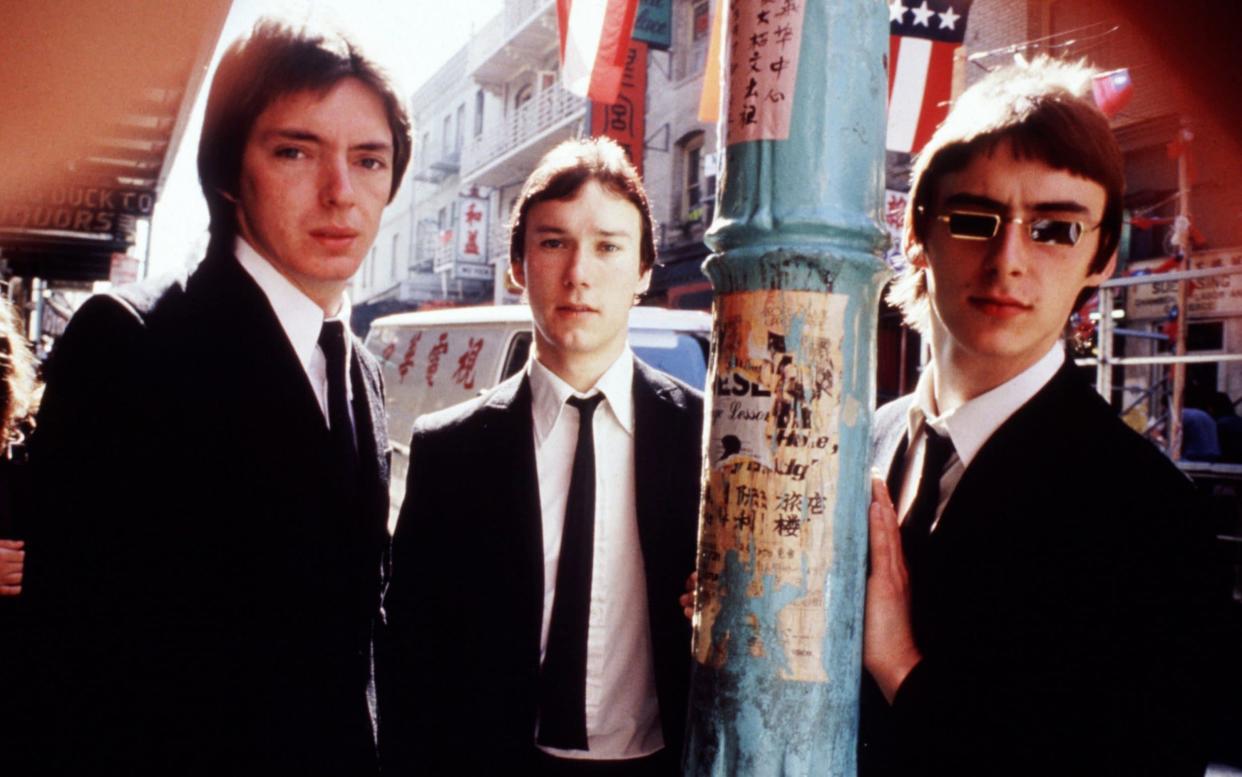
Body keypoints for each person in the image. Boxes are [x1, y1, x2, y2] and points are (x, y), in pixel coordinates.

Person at [23, 20, 409, 775]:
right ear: (230, 170)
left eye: (369, 160)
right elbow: (67, 660)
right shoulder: (132, 341)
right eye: (295, 150)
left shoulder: (360, 368)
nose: (341, 191)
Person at [861, 56, 1224, 775]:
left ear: (1103, 256)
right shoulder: (864, 439)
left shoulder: (1152, 517)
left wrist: (903, 667)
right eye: (974, 218)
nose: (1007, 260)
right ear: (917, 234)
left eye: (1055, 229)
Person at [378, 137, 703, 776]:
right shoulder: (451, 449)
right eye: (554, 242)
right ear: (518, 265)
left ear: (643, 272)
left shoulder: (703, 440)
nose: (580, 271)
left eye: (609, 246)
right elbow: (409, 659)